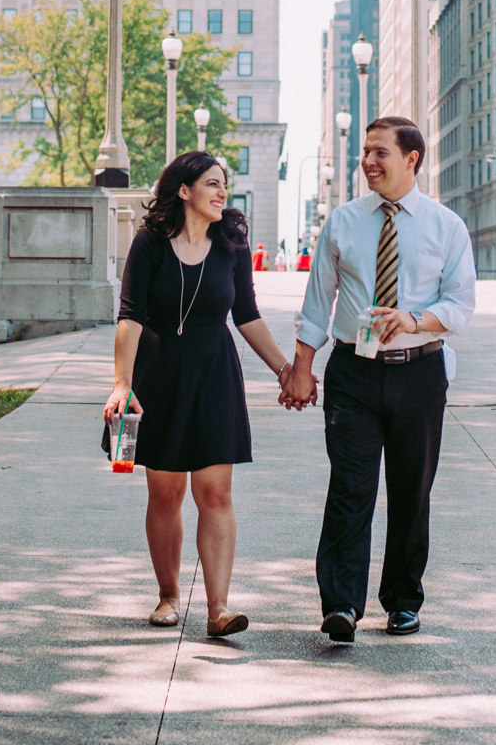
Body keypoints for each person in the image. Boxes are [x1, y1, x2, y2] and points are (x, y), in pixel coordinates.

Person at [285, 116, 475, 642]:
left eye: (379, 153)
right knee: (350, 488)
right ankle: (342, 605)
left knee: (412, 492)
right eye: (364, 152)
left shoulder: (445, 226)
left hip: (420, 372)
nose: (368, 162)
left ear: (411, 158)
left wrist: (413, 319)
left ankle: (403, 602)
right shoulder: (344, 222)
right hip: (353, 374)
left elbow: (460, 305)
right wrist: (302, 368)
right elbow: (317, 303)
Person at [104, 151, 296, 637]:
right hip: (160, 377)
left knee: (215, 491)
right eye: (211, 184)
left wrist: (285, 370)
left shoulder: (231, 244)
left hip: (215, 377)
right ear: (184, 190)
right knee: (165, 492)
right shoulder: (149, 244)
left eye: (224, 185)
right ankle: (168, 597)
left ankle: (219, 609)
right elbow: (130, 315)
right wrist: (122, 384)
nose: (221, 192)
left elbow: (247, 315)